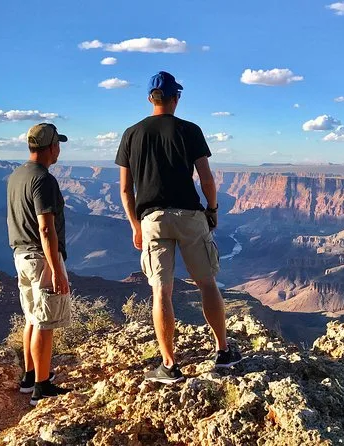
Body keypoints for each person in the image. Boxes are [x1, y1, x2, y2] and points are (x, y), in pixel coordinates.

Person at [116, 71, 242, 384]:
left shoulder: (131, 134)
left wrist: (135, 226)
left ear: (150, 98)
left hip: (153, 219)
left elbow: (125, 190)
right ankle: (223, 351)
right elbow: (207, 179)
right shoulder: (190, 130)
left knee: (161, 290)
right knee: (207, 283)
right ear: (176, 98)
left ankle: (169, 365)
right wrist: (213, 209)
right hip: (189, 215)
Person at [7, 123, 72, 406]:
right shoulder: (44, 179)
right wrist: (56, 270)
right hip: (41, 257)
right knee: (45, 323)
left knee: (32, 317)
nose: (59, 150)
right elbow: (46, 228)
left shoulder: (17, 175)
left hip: (21, 255)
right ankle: (41, 387)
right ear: (51, 147)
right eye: (58, 145)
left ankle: (29, 377)